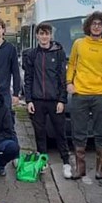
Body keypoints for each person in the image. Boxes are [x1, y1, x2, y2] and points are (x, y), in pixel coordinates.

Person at [66, 11, 102, 180]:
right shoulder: (79, 43)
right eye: (93, 24)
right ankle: (80, 168)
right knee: (78, 132)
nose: (96, 27)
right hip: (80, 94)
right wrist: (69, 82)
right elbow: (72, 64)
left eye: (99, 24)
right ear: (88, 26)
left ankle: (99, 169)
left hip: (100, 95)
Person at [24, 23, 71, 179]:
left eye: (47, 34)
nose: (44, 37)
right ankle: (42, 161)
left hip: (54, 100)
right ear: (37, 36)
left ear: (51, 35)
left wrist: (62, 100)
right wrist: (29, 100)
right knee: (40, 133)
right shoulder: (32, 54)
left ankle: (66, 162)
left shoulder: (58, 53)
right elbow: (28, 78)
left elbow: (62, 78)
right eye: (41, 34)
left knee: (60, 132)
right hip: (37, 100)